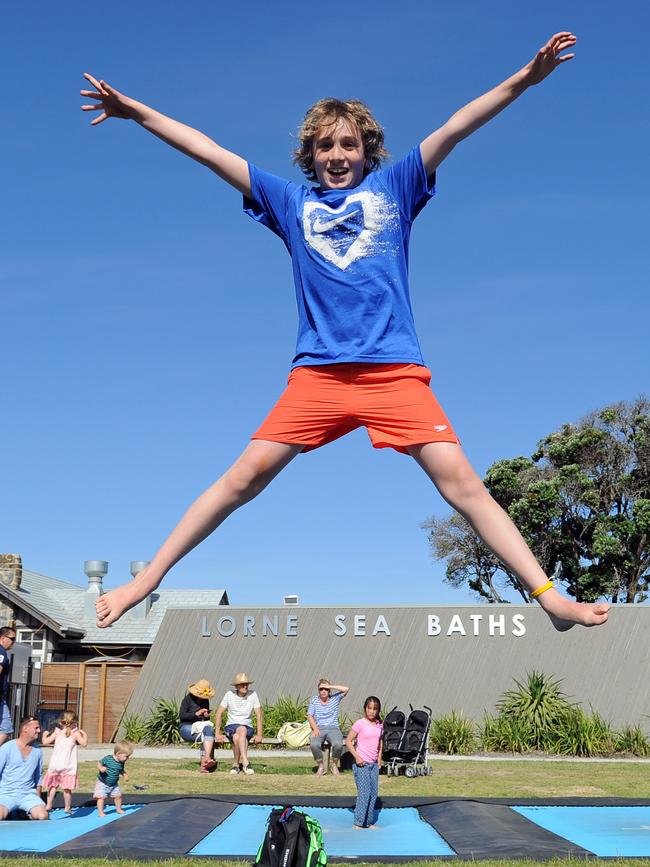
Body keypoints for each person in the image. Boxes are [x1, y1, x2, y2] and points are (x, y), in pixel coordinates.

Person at [82, 33, 611, 634]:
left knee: (463, 484)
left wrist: (523, 79)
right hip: (318, 375)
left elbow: (457, 126)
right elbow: (208, 150)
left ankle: (549, 598)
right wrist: (138, 113)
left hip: (393, 372)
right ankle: (146, 582)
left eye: (349, 144)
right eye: (325, 145)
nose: (337, 154)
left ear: (368, 151)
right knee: (243, 478)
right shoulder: (288, 201)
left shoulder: (397, 186)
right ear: (309, 155)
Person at [0, 716, 49, 821]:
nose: (39, 731)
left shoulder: (38, 751)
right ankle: (12, 812)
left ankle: (25, 812)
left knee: (43, 816)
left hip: (27, 794)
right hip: (6, 794)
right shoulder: (6, 748)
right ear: (25, 729)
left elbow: (38, 777)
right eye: (36, 728)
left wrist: (38, 798)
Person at [345, 696, 383, 829]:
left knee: (373, 793)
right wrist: (357, 757)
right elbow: (348, 741)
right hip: (362, 764)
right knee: (364, 792)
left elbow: (380, 742)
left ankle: (368, 822)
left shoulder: (379, 725)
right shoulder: (359, 724)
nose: (372, 711)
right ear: (365, 709)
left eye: (375, 709)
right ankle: (358, 822)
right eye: (369, 708)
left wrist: (379, 759)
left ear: (378, 710)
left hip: (373, 765)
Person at [215, 673, 262, 775]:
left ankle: (236, 765)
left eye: (246, 684)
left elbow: (259, 715)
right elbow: (219, 713)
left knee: (237, 737)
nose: (245, 686)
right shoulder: (229, 695)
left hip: (247, 726)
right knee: (241, 730)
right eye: (242, 684)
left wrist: (259, 735)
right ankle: (246, 762)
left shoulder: (253, 694)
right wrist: (217, 734)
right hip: (231, 725)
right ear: (236, 686)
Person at [41, 710, 88, 813]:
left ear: (61, 721)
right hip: (68, 765)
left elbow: (45, 742)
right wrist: (84, 734)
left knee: (53, 786)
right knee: (67, 789)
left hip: (55, 764)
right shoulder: (75, 733)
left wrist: (45, 734)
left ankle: (48, 805)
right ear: (74, 722)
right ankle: (67, 807)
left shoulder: (57, 732)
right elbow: (84, 744)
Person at [307, 678, 349, 776]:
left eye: (326, 689)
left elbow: (346, 689)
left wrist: (330, 686)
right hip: (319, 728)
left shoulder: (335, 698)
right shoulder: (314, 700)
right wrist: (315, 728)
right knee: (314, 744)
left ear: (329, 690)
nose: (323, 691)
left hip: (333, 728)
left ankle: (334, 765)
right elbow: (309, 716)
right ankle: (321, 766)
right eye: (321, 689)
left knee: (338, 744)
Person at [179, 679, 217, 773]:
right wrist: (196, 714)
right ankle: (205, 761)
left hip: (201, 726)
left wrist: (206, 716)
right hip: (186, 726)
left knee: (209, 730)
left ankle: (205, 760)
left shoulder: (205, 701)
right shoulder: (187, 699)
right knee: (206, 736)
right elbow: (182, 716)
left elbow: (205, 720)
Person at [94, 741, 132, 817]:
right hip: (103, 782)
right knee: (101, 797)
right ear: (118, 754)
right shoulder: (108, 759)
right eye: (126, 756)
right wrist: (101, 768)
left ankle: (118, 809)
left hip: (114, 783)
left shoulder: (121, 762)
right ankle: (101, 812)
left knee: (118, 796)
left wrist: (125, 774)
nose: (127, 758)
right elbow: (99, 763)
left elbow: (120, 770)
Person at [0, 627, 17, 747]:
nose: (13, 642)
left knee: (6, 727)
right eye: (12, 639)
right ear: (2, 638)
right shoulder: (1, 652)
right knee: (6, 728)